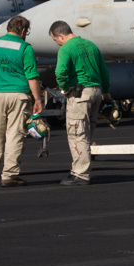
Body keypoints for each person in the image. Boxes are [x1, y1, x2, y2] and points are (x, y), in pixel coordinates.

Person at [0, 15, 44, 187]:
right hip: (19, 96)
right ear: (22, 31)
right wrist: (37, 99)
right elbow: (32, 76)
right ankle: (9, 175)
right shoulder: (25, 48)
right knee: (15, 135)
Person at [49, 20, 110, 186]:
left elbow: (60, 71)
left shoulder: (66, 48)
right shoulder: (91, 45)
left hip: (80, 94)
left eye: (56, 40)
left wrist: (64, 88)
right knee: (87, 133)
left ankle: (80, 174)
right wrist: (106, 91)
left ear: (60, 35)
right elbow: (104, 70)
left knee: (77, 134)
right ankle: (79, 170)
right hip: (96, 92)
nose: (57, 43)